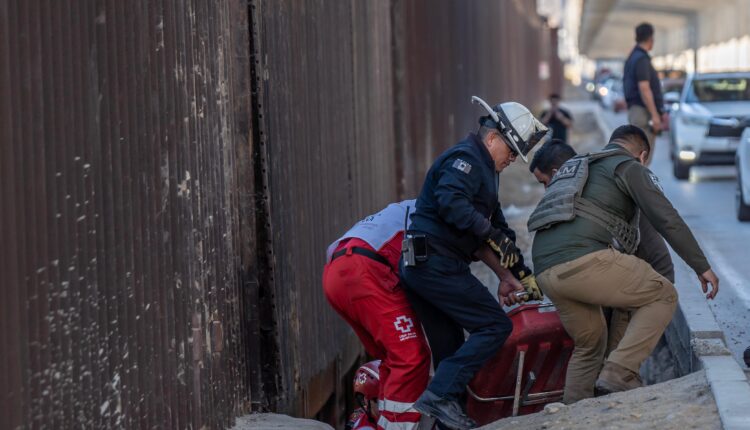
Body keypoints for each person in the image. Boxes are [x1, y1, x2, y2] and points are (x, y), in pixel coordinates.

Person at [528, 125, 719, 405]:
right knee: (663, 294)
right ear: (642, 156)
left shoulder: (581, 164)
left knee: (589, 345)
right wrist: (701, 266)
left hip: (545, 270)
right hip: (583, 260)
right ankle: (621, 371)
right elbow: (667, 219)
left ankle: (574, 415)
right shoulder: (628, 166)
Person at [400, 96, 548, 430]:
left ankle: (446, 417)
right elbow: (451, 202)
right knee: (495, 326)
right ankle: (437, 398)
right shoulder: (465, 159)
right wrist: (490, 235)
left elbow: (500, 231)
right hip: (435, 265)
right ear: (493, 138)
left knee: (451, 353)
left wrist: (522, 275)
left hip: (425, 267)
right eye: (511, 151)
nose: (512, 160)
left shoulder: (486, 173)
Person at [530, 138, 675, 361]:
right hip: (617, 283)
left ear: (559, 172)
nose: (546, 190)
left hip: (639, 289)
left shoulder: (602, 193)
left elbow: (659, 255)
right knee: (593, 345)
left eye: (544, 182)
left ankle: (614, 377)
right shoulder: (575, 199)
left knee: (611, 359)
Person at [323, 201, 430, 430]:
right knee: (411, 356)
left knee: (391, 358)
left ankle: (385, 422)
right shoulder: (445, 209)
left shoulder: (417, 206)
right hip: (365, 270)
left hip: (336, 273)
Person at [623, 22, 663, 164]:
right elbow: (644, 88)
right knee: (642, 161)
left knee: (639, 160)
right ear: (650, 38)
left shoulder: (632, 57)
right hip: (643, 113)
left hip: (637, 111)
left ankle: (636, 186)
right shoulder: (641, 59)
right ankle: (637, 187)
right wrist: (655, 115)